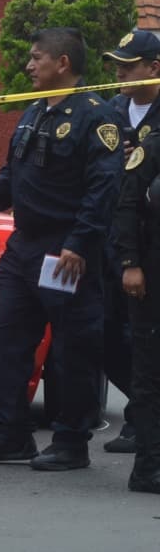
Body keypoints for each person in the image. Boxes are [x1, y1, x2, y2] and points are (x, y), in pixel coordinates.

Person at [0, 27, 124, 470]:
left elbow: (103, 187)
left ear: (62, 63)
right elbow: (11, 173)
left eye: (37, 58)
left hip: (67, 251)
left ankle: (71, 442)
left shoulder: (96, 116)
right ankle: (11, 433)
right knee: (3, 340)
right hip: (24, 248)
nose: (29, 66)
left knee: (72, 349)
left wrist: (80, 243)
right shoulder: (33, 113)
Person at [99, 30, 160, 453]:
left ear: (154, 69)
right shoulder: (111, 110)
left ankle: (143, 425)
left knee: (147, 336)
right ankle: (140, 416)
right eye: (117, 64)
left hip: (150, 240)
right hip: (111, 237)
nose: (120, 71)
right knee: (104, 333)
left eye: (129, 65)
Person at [113, 115, 160, 493]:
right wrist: (131, 264)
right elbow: (126, 206)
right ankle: (147, 469)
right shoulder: (152, 148)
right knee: (149, 377)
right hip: (151, 277)